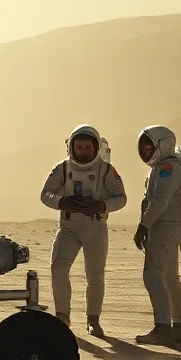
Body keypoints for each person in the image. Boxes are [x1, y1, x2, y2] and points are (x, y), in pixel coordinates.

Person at [39, 124, 127, 336]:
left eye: (87, 148)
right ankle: (62, 316)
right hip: (68, 226)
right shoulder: (62, 168)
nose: (83, 152)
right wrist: (63, 202)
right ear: (71, 147)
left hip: (95, 226)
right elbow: (45, 194)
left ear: (96, 147)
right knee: (58, 269)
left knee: (94, 276)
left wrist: (101, 206)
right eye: (79, 147)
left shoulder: (106, 170)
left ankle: (93, 319)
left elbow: (121, 198)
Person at [133, 125, 181, 346]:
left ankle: (163, 327)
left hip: (165, 227)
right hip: (166, 227)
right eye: (144, 149)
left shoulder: (168, 168)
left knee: (153, 275)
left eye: (149, 148)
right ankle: (180, 327)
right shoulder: (163, 167)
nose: (146, 153)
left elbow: (160, 201)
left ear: (162, 145)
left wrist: (143, 225)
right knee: (169, 277)